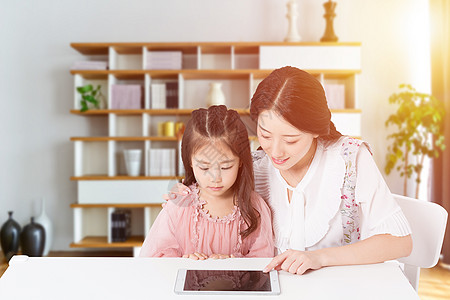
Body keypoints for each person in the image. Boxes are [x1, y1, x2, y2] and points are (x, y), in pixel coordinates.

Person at [167, 66, 413, 274]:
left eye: (291, 139)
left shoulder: (350, 159)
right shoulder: (257, 166)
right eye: (265, 135)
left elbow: (400, 243)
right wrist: (185, 196)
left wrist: (321, 258)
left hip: (343, 289)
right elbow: (214, 193)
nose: (275, 151)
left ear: (317, 128)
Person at [139, 105, 274, 259]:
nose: (215, 177)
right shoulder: (181, 202)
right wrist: (182, 261)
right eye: (204, 167)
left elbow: (263, 258)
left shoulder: (254, 207)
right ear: (190, 162)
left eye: (226, 166)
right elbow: (158, 254)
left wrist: (235, 263)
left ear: (241, 161)